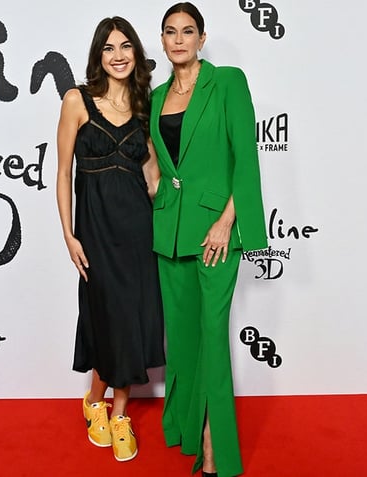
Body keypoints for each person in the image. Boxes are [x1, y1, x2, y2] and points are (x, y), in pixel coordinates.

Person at [149, 3, 268, 476]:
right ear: (161, 40)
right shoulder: (156, 96)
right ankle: (185, 427)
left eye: (188, 31)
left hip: (215, 233)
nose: (179, 39)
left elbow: (246, 157)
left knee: (213, 339)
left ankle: (216, 447)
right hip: (169, 233)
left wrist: (227, 221)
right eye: (170, 32)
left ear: (202, 37)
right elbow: (159, 166)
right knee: (181, 340)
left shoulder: (228, 82)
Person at [55, 16, 165, 463]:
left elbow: (154, 177)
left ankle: (117, 412)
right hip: (96, 233)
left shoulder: (144, 108)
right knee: (106, 317)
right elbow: (62, 173)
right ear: (98, 56)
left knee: (131, 320)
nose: (118, 55)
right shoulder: (76, 100)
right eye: (108, 48)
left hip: (138, 231)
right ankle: (94, 400)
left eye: (125, 46)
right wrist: (68, 234)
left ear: (136, 53)